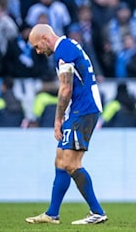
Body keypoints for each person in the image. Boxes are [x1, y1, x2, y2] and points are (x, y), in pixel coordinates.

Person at [24, 24, 108, 225]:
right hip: (80, 109)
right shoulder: (69, 46)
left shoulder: (63, 52)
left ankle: (97, 212)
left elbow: (65, 89)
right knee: (60, 160)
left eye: (37, 46)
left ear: (45, 38)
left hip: (83, 110)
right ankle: (52, 214)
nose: (38, 51)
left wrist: (57, 119)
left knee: (71, 163)